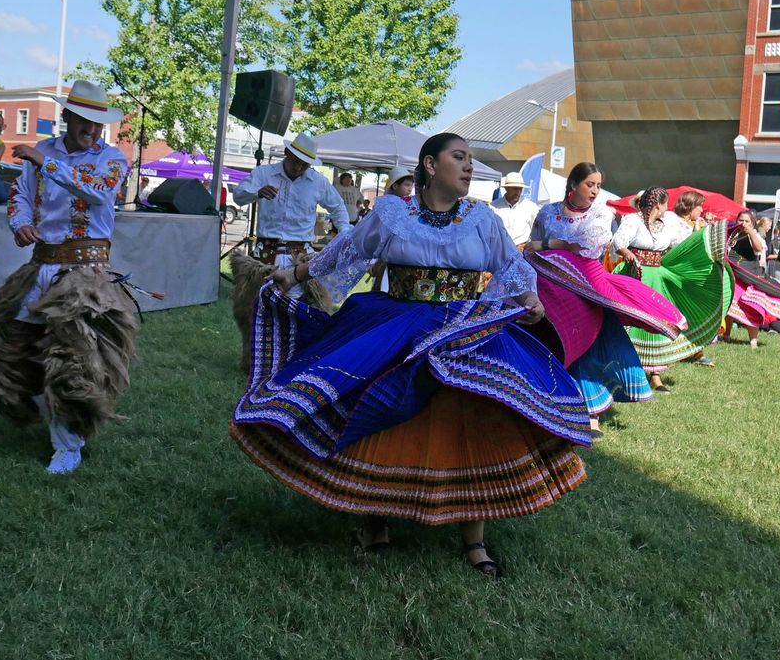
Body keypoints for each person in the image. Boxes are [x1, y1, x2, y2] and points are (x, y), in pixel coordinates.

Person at [229, 133, 590, 579]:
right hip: (395, 324)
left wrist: (528, 299)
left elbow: (510, 267)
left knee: (474, 419)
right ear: (430, 165)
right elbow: (350, 249)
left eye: (471, 159)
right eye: (459, 157)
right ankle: (374, 518)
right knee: (378, 409)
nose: (469, 166)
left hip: (460, 328)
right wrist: (294, 273)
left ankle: (474, 537)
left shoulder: (481, 217)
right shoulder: (393, 212)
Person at [0, 80, 136, 475]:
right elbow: (20, 193)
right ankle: (54, 418)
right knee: (14, 349)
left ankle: (67, 445)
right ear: (67, 116)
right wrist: (19, 223)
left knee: (73, 359)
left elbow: (99, 192)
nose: (91, 129)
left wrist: (45, 163)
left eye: (97, 123)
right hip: (41, 265)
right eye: (84, 120)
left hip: (84, 273)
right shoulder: (43, 151)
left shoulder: (112, 159)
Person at [527, 164, 683, 434]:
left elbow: (589, 248)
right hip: (551, 292)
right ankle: (547, 406)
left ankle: (591, 417)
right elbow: (532, 245)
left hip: (587, 292)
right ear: (573, 184)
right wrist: (555, 246)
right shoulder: (547, 212)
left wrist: (555, 247)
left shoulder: (600, 213)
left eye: (599, 185)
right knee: (551, 345)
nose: (595, 191)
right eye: (590, 184)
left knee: (588, 350)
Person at [229, 132, 349, 368]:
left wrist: (343, 234)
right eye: (296, 161)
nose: (300, 167)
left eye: (305, 163)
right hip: (266, 254)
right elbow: (238, 195)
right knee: (259, 305)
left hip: (299, 256)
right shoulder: (264, 174)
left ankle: (292, 359)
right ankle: (257, 359)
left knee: (298, 308)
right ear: (287, 153)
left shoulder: (317, 181)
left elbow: (338, 208)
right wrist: (257, 192)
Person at [612, 185, 730, 389]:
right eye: (666, 203)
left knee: (658, 324)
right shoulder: (633, 220)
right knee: (630, 324)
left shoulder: (664, 225)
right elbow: (618, 242)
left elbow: (681, 244)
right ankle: (623, 373)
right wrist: (628, 253)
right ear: (658, 204)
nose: (668, 207)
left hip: (657, 277)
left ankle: (655, 377)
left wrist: (707, 237)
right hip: (634, 276)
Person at [725, 209, 780, 348]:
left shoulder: (755, 236)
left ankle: (753, 340)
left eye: (747, 221)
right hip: (733, 276)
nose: (743, 223)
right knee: (729, 305)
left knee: (752, 307)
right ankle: (726, 334)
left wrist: (751, 232)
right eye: (741, 220)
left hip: (750, 277)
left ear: (752, 224)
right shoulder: (732, 235)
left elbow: (758, 248)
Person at [490, 171, 538, 250]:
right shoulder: (493, 207)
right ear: (506, 188)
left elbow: (537, 233)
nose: (518, 192)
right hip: (499, 251)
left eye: (520, 189)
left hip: (522, 253)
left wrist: (526, 245)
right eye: (515, 189)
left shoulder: (531, 208)